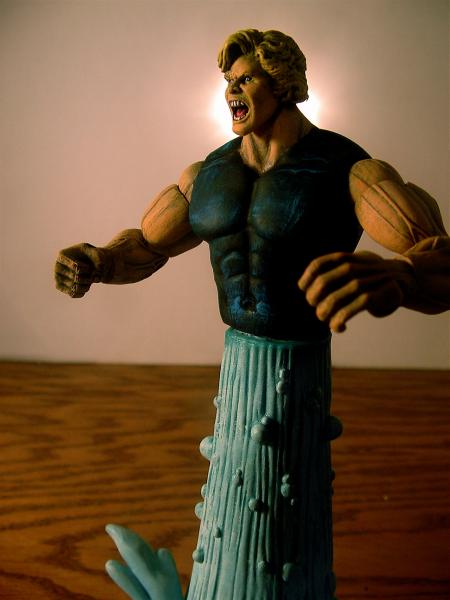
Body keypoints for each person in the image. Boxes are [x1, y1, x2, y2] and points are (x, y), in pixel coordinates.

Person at [55, 29, 449, 600]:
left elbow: (440, 257)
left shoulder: (349, 170)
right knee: (231, 511)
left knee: (288, 527)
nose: (231, 92)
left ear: (282, 84)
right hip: (237, 370)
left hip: (301, 371)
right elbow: (145, 245)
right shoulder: (206, 173)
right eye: (227, 82)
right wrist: (96, 261)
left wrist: (402, 276)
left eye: (245, 80)